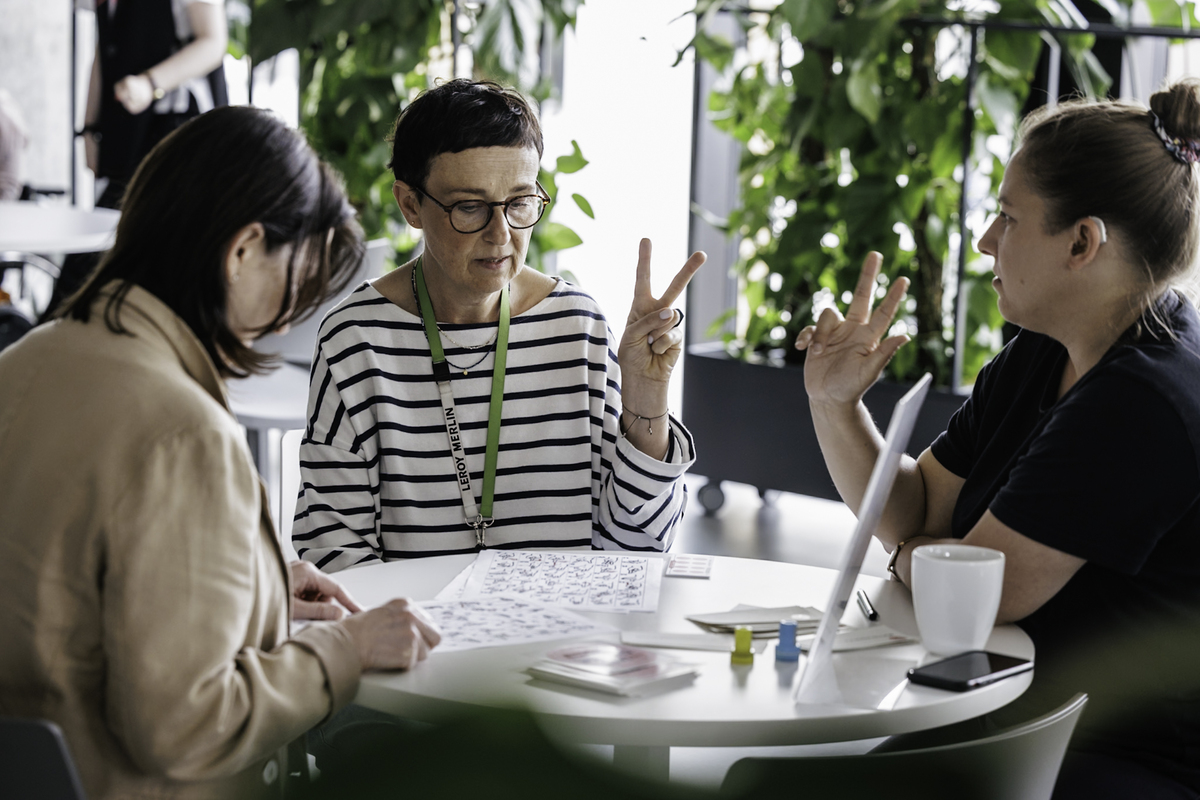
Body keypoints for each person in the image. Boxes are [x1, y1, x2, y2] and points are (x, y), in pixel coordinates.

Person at [0, 106, 441, 800]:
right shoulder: (181, 430)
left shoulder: (25, 361)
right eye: (297, 278)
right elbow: (187, 724)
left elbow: (77, 600)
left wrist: (261, 587)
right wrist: (343, 651)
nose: (292, 316)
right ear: (242, 251)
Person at [796, 79, 1200, 799]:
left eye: (1008, 218)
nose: (985, 241)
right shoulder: (1045, 349)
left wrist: (922, 558)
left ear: (1083, 241)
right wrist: (835, 405)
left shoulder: (1148, 396)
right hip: (1012, 707)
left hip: (1120, 757)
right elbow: (913, 513)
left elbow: (988, 590)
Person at [293, 80, 706, 571]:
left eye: (519, 203)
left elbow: (638, 551)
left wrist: (647, 399)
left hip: (560, 639)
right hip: (419, 641)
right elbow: (332, 552)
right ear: (410, 205)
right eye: (470, 207)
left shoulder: (578, 327)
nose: (501, 234)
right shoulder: (357, 339)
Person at [45, 0, 229, 317]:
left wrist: (150, 83)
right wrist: (89, 128)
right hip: (131, 134)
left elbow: (213, 43)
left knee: (114, 256)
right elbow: (106, 52)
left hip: (178, 133)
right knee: (102, 253)